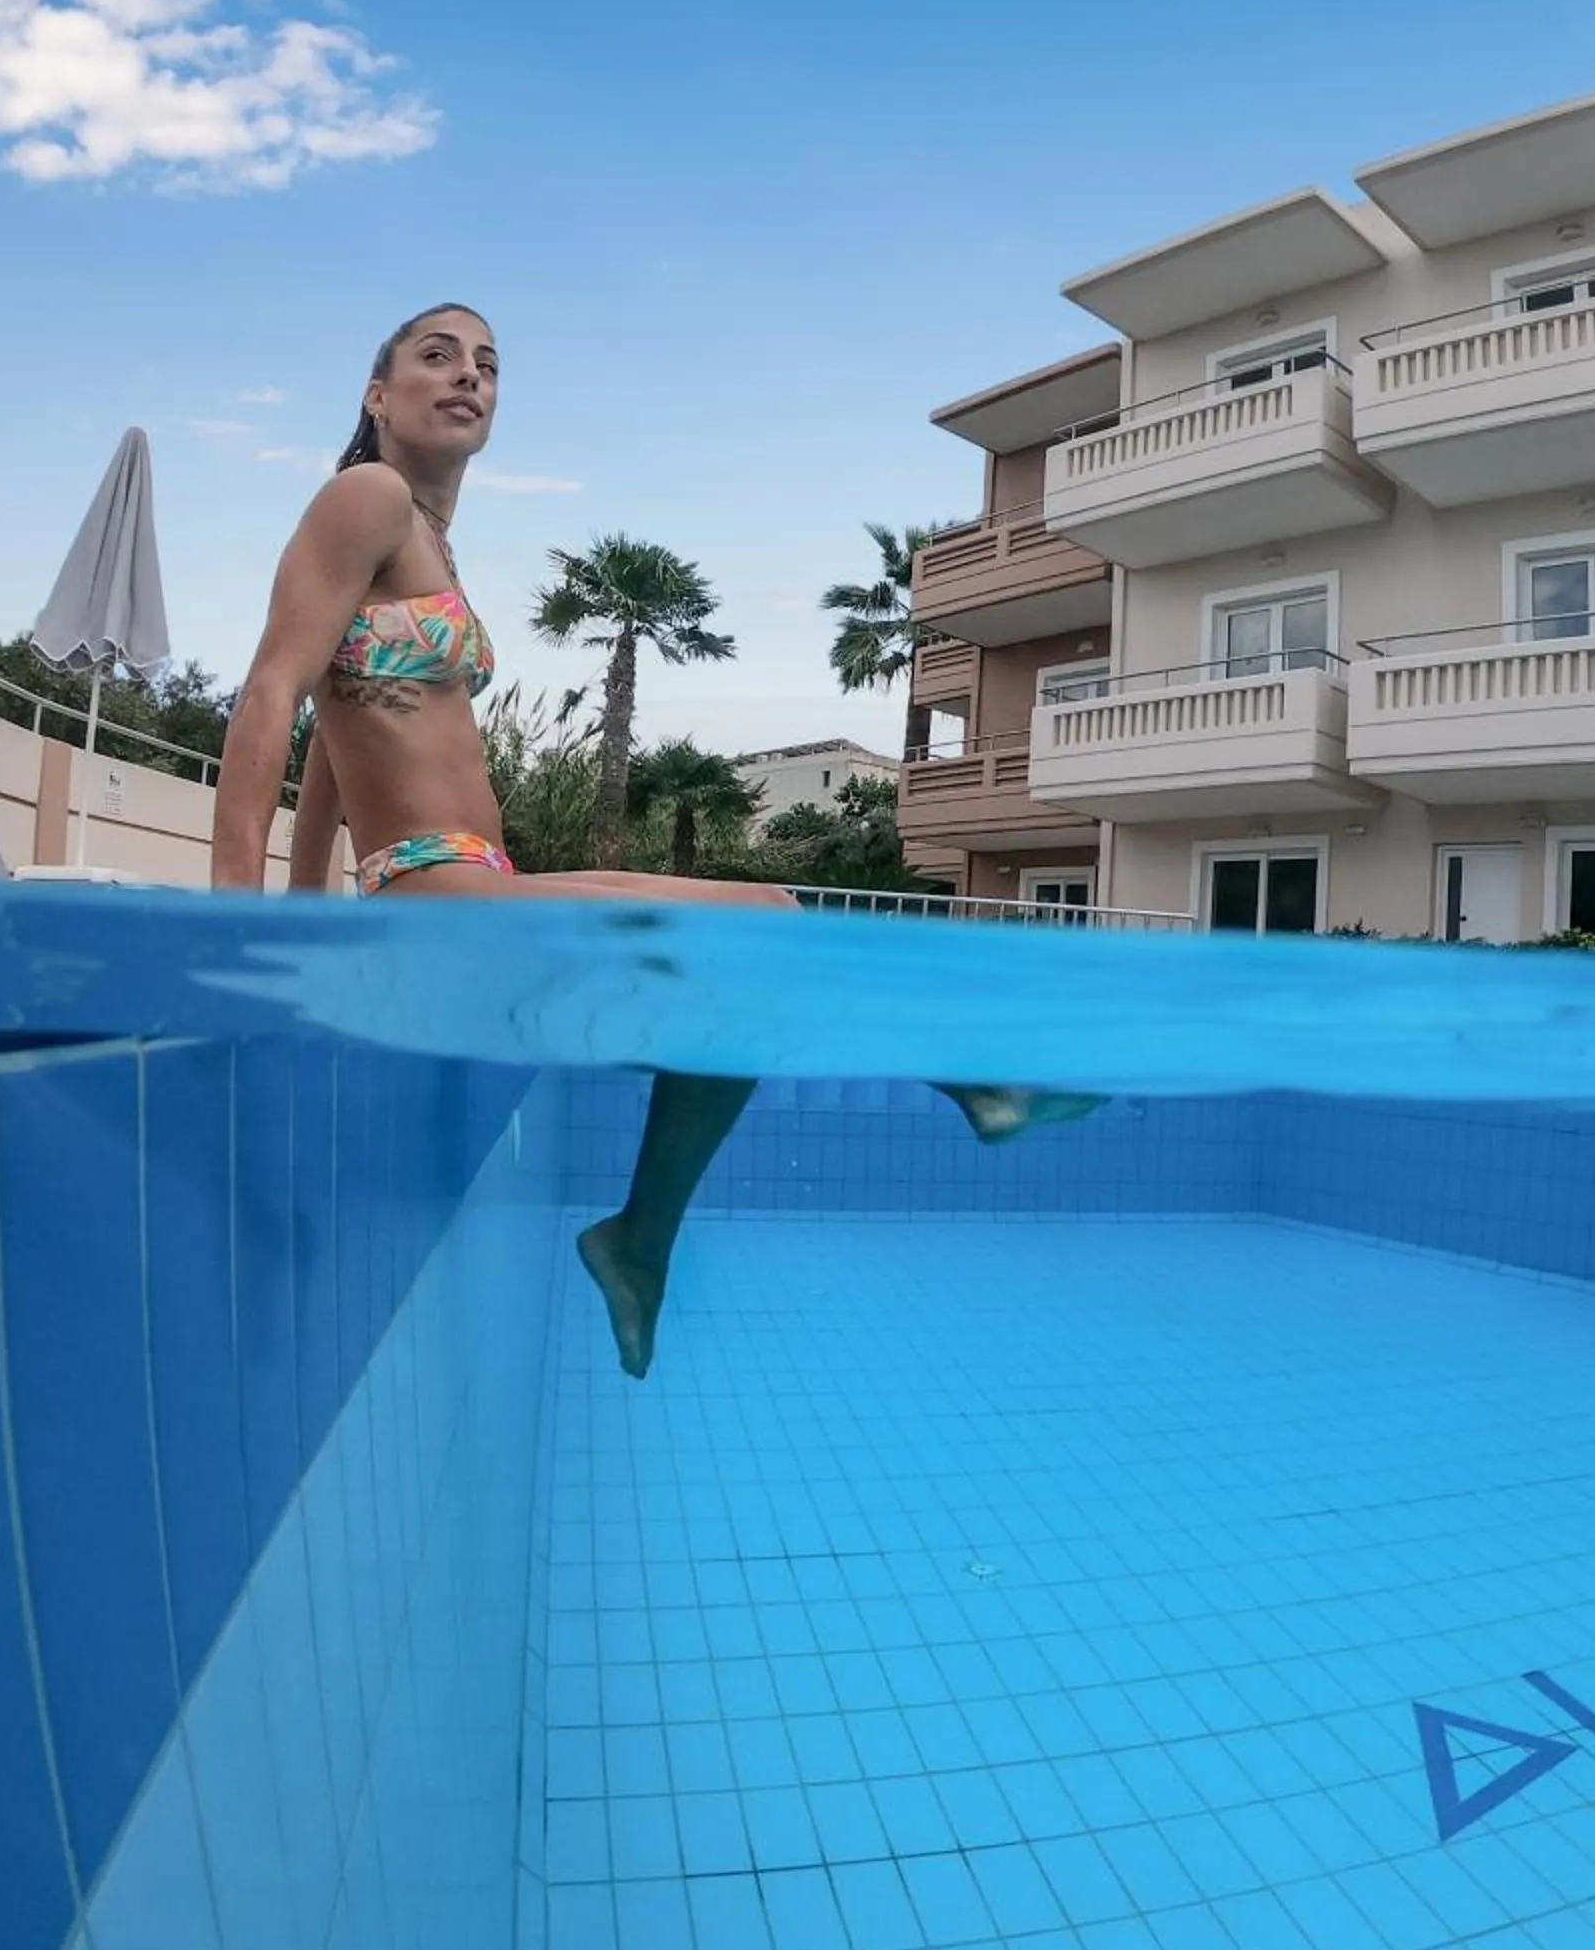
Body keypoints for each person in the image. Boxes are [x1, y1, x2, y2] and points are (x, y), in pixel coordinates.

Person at [210, 303, 1093, 1379]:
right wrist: (248, 929)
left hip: (476, 885)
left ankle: (637, 1243)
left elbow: (335, 755)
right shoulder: (368, 495)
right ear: (377, 394)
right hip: (426, 895)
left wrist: (311, 912)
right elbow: (272, 693)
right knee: (768, 919)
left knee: (730, 1015)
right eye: (436, 357)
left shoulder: (429, 540)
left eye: (489, 364)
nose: (469, 376)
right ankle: (979, 1083)